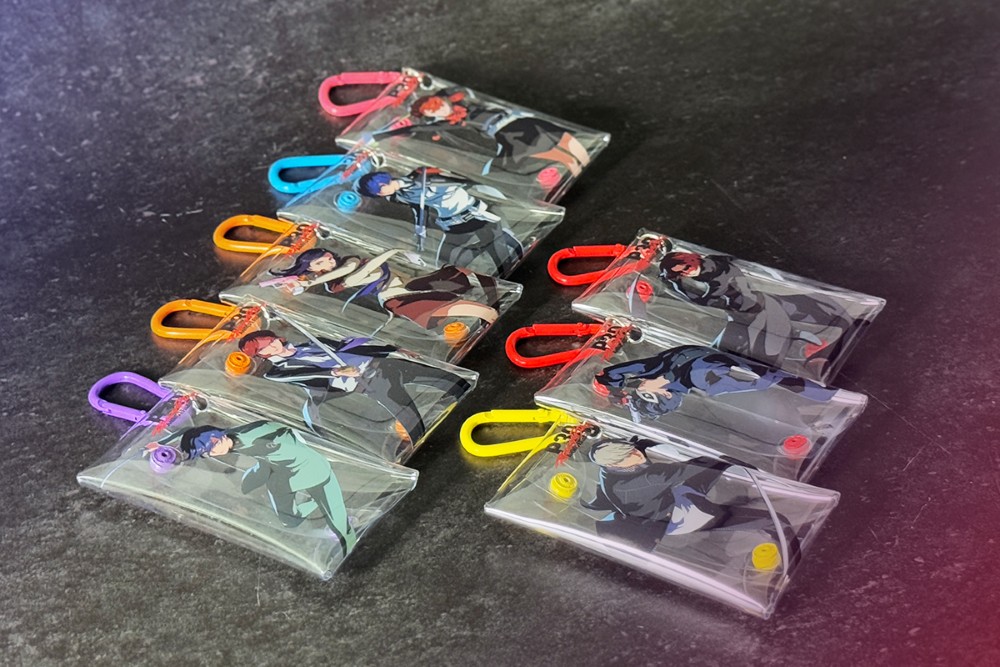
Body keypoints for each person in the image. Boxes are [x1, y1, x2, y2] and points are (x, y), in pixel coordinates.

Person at [238, 330, 471, 444]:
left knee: (445, 379)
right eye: (264, 349)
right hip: (365, 381)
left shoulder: (311, 342)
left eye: (271, 342)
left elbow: (348, 347)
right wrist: (335, 372)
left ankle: (467, 393)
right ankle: (425, 445)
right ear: (261, 355)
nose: (272, 347)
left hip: (382, 364)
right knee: (406, 412)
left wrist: (392, 349)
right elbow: (305, 375)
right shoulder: (277, 372)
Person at [583, 437, 798, 558]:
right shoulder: (647, 479)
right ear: (614, 464)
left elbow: (639, 449)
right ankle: (791, 557)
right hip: (682, 516)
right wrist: (723, 460)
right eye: (626, 455)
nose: (635, 454)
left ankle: (740, 471)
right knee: (774, 520)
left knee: (718, 465)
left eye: (630, 449)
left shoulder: (609, 471)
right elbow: (687, 469)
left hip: (672, 498)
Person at [657, 250, 859, 370]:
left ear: (690, 261)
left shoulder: (717, 276)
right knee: (724, 350)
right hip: (744, 311)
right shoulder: (711, 261)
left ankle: (801, 342)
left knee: (761, 352)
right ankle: (798, 338)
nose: (686, 274)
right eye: (681, 274)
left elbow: (704, 300)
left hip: (755, 311)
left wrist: (676, 285)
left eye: (684, 270)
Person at [178, 421, 357, 555]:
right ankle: (316, 504)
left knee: (338, 522)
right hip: (291, 470)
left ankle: (343, 537)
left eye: (209, 450)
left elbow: (280, 433)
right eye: (206, 454)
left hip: (311, 468)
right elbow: (263, 458)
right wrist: (251, 479)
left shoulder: (253, 435)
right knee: (290, 520)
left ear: (215, 438)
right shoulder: (232, 441)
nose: (211, 454)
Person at [375, 87, 591, 178]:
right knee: (546, 151)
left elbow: (450, 91)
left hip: (516, 120)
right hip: (505, 132)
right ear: (430, 116)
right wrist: (382, 136)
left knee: (562, 138)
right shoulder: (447, 123)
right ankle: (573, 167)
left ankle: (584, 158)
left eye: (436, 102)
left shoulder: (464, 102)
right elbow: (418, 128)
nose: (437, 107)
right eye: (431, 110)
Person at [261, 246, 501, 328]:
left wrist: (396, 251)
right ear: (311, 268)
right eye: (320, 263)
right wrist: (309, 282)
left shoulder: (349, 261)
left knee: (459, 275)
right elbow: (357, 275)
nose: (329, 262)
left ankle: (496, 301)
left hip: (411, 284)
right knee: (472, 310)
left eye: (327, 257)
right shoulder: (335, 285)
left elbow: (351, 267)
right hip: (397, 298)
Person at [594, 345, 837, 420]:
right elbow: (764, 380)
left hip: (762, 360)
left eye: (638, 392)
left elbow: (614, 373)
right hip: (783, 378)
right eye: (643, 393)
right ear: (666, 394)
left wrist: (614, 387)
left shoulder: (661, 370)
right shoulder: (702, 378)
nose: (639, 387)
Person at [357, 167, 523, 275]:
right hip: (451, 223)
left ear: (384, 181)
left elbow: (461, 182)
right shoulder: (400, 195)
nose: (381, 193)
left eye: (380, 189)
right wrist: (420, 232)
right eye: (377, 193)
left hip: (473, 214)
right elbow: (419, 210)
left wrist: (433, 184)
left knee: (502, 257)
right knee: (446, 262)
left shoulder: (421, 177)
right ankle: (498, 247)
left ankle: (505, 245)